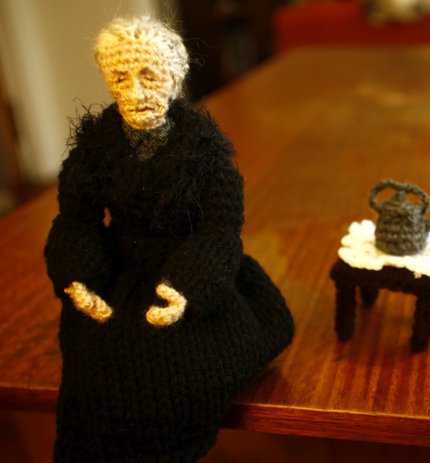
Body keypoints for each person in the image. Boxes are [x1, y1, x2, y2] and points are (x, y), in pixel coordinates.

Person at [44, 16, 294, 462]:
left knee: (180, 366)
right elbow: (77, 220)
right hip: (121, 271)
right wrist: (79, 275)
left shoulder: (206, 154)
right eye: (120, 78)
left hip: (190, 270)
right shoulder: (95, 152)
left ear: (175, 80)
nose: (136, 92)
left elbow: (220, 230)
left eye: (150, 76)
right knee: (98, 365)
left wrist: (186, 288)